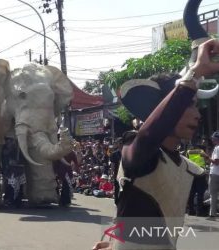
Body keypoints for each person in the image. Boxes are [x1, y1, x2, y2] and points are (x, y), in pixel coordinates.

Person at [92, 37, 219, 250]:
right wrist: (196, 71)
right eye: (189, 105)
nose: (197, 115)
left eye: (197, 106)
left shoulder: (184, 165)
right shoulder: (137, 151)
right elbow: (150, 134)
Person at [186, 145, 208, 216]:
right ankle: (199, 212)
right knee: (200, 193)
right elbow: (207, 159)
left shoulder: (189, 152)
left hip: (192, 173)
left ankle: (190, 211)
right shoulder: (201, 152)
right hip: (200, 173)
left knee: (191, 193)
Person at [204, 131, 219, 218]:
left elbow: (216, 162)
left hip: (215, 174)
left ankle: (212, 214)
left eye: (213, 138)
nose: (212, 140)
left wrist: (206, 157)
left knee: (213, 194)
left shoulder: (217, 148)